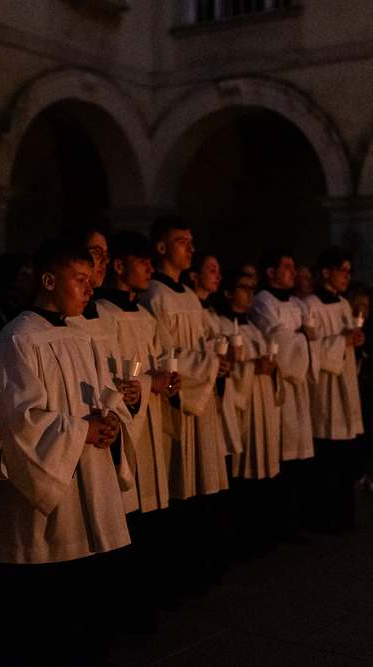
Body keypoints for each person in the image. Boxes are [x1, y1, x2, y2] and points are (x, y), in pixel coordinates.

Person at [0, 239, 129, 665]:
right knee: (43, 615)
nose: (90, 289)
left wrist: (112, 421)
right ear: (48, 281)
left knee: (83, 604)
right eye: (80, 280)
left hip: (90, 483)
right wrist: (82, 431)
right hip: (51, 499)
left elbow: (106, 395)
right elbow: (19, 421)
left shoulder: (79, 336)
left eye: (90, 280)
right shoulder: (18, 340)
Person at [138, 215, 229, 596]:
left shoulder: (189, 296)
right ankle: (172, 580)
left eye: (192, 242)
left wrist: (219, 360)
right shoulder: (153, 296)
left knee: (201, 488)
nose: (191, 248)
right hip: (176, 403)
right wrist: (209, 362)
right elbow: (162, 354)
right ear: (161, 247)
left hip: (200, 402)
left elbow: (208, 340)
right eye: (182, 242)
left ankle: (199, 572)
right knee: (177, 487)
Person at [94, 230, 179, 631]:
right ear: (118, 266)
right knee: (127, 517)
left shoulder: (145, 316)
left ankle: (149, 601)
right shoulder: (101, 315)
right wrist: (148, 384)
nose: (150, 268)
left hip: (150, 424)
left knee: (150, 519)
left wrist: (169, 379)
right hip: (125, 426)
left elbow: (160, 359)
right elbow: (106, 378)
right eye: (142, 261)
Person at [248, 247, 314, 541]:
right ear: (271, 272)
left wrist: (300, 337)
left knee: (297, 459)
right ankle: (278, 524)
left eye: (294, 266)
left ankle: (294, 521)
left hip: (298, 388)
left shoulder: (296, 303)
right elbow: (277, 340)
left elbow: (303, 337)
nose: (294, 272)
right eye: (287, 267)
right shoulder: (263, 301)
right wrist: (302, 336)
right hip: (278, 388)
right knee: (282, 456)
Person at [217, 268, 281, 555]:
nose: (250, 294)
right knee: (242, 473)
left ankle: (261, 533)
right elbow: (224, 369)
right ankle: (241, 540)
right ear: (228, 292)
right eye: (243, 288)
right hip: (242, 407)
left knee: (263, 472)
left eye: (252, 289)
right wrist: (252, 368)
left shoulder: (253, 327)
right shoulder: (220, 325)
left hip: (262, 404)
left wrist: (271, 366)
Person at [300, 248, 364, 534]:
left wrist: (354, 341)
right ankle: (323, 518)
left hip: (345, 383)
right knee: (326, 455)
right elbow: (309, 349)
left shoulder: (344, 305)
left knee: (344, 455)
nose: (347, 277)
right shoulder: (310, 306)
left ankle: (343, 515)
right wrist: (341, 342)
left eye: (350, 272)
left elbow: (346, 343)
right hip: (324, 388)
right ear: (326, 272)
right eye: (342, 271)